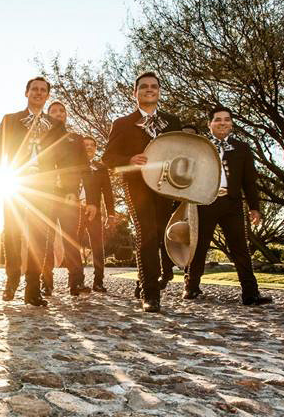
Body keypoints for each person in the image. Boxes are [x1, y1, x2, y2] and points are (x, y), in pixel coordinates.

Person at [0, 76, 76, 306]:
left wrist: (67, 187)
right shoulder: (10, 120)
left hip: (43, 185)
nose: (38, 93)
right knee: (12, 232)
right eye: (34, 89)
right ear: (26, 93)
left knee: (39, 237)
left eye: (43, 90)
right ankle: (12, 279)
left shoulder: (56, 125)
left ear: (47, 96)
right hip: (15, 182)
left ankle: (33, 289)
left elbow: (65, 158)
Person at [102, 71, 182, 312]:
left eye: (154, 86)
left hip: (166, 186)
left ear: (159, 91)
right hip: (137, 186)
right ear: (135, 93)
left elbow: (182, 153)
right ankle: (151, 294)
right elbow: (108, 158)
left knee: (160, 236)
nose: (149, 89)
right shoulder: (123, 123)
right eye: (144, 86)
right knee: (146, 233)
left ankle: (144, 279)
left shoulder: (172, 122)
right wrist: (129, 158)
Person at [183, 106, 272, 306]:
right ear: (210, 124)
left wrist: (254, 207)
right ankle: (191, 287)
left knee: (240, 248)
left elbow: (249, 180)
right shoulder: (199, 145)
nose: (222, 123)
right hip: (204, 201)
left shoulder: (242, 148)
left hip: (232, 203)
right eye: (217, 120)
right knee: (199, 246)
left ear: (231, 123)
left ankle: (251, 293)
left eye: (226, 119)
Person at [41, 101, 97, 296]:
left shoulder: (76, 139)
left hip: (69, 196)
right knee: (45, 239)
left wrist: (91, 200)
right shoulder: (41, 137)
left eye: (62, 110)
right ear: (48, 115)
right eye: (54, 111)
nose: (58, 113)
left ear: (66, 115)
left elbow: (85, 169)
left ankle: (76, 282)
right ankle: (45, 283)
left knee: (71, 239)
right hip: (45, 195)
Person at [77, 135, 118, 292]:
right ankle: (77, 280)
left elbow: (107, 193)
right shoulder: (73, 165)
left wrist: (111, 214)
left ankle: (98, 281)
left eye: (92, 145)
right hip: (76, 211)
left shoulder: (101, 168)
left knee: (97, 246)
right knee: (74, 245)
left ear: (95, 149)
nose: (88, 147)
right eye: (85, 144)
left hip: (95, 213)